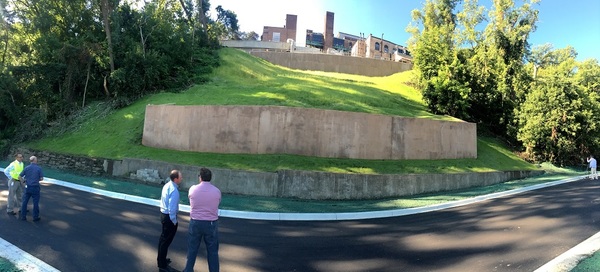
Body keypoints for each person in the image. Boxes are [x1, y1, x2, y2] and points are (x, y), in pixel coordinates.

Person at [183, 167, 221, 272]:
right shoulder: (217, 191)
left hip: (196, 222)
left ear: (200, 178)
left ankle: (188, 270)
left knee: (192, 249)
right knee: (213, 251)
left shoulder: (193, 189)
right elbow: (217, 203)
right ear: (210, 178)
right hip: (211, 223)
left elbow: (190, 199)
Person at [157, 170, 182, 272]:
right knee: (166, 241)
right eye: (180, 177)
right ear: (176, 179)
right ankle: (162, 264)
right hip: (169, 218)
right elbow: (172, 209)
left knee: (163, 240)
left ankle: (161, 259)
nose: (182, 178)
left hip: (163, 214)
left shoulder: (167, 185)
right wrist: (174, 221)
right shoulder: (174, 191)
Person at [19, 156, 43, 221]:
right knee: (35, 202)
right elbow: (41, 178)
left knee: (25, 201)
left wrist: (23, 182)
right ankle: (35, 217)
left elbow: (20, 176)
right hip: (35, 187)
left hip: (28, 187)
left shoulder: (26, 168)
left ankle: (23, 216)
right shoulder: (39, 168)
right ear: (35, 160)